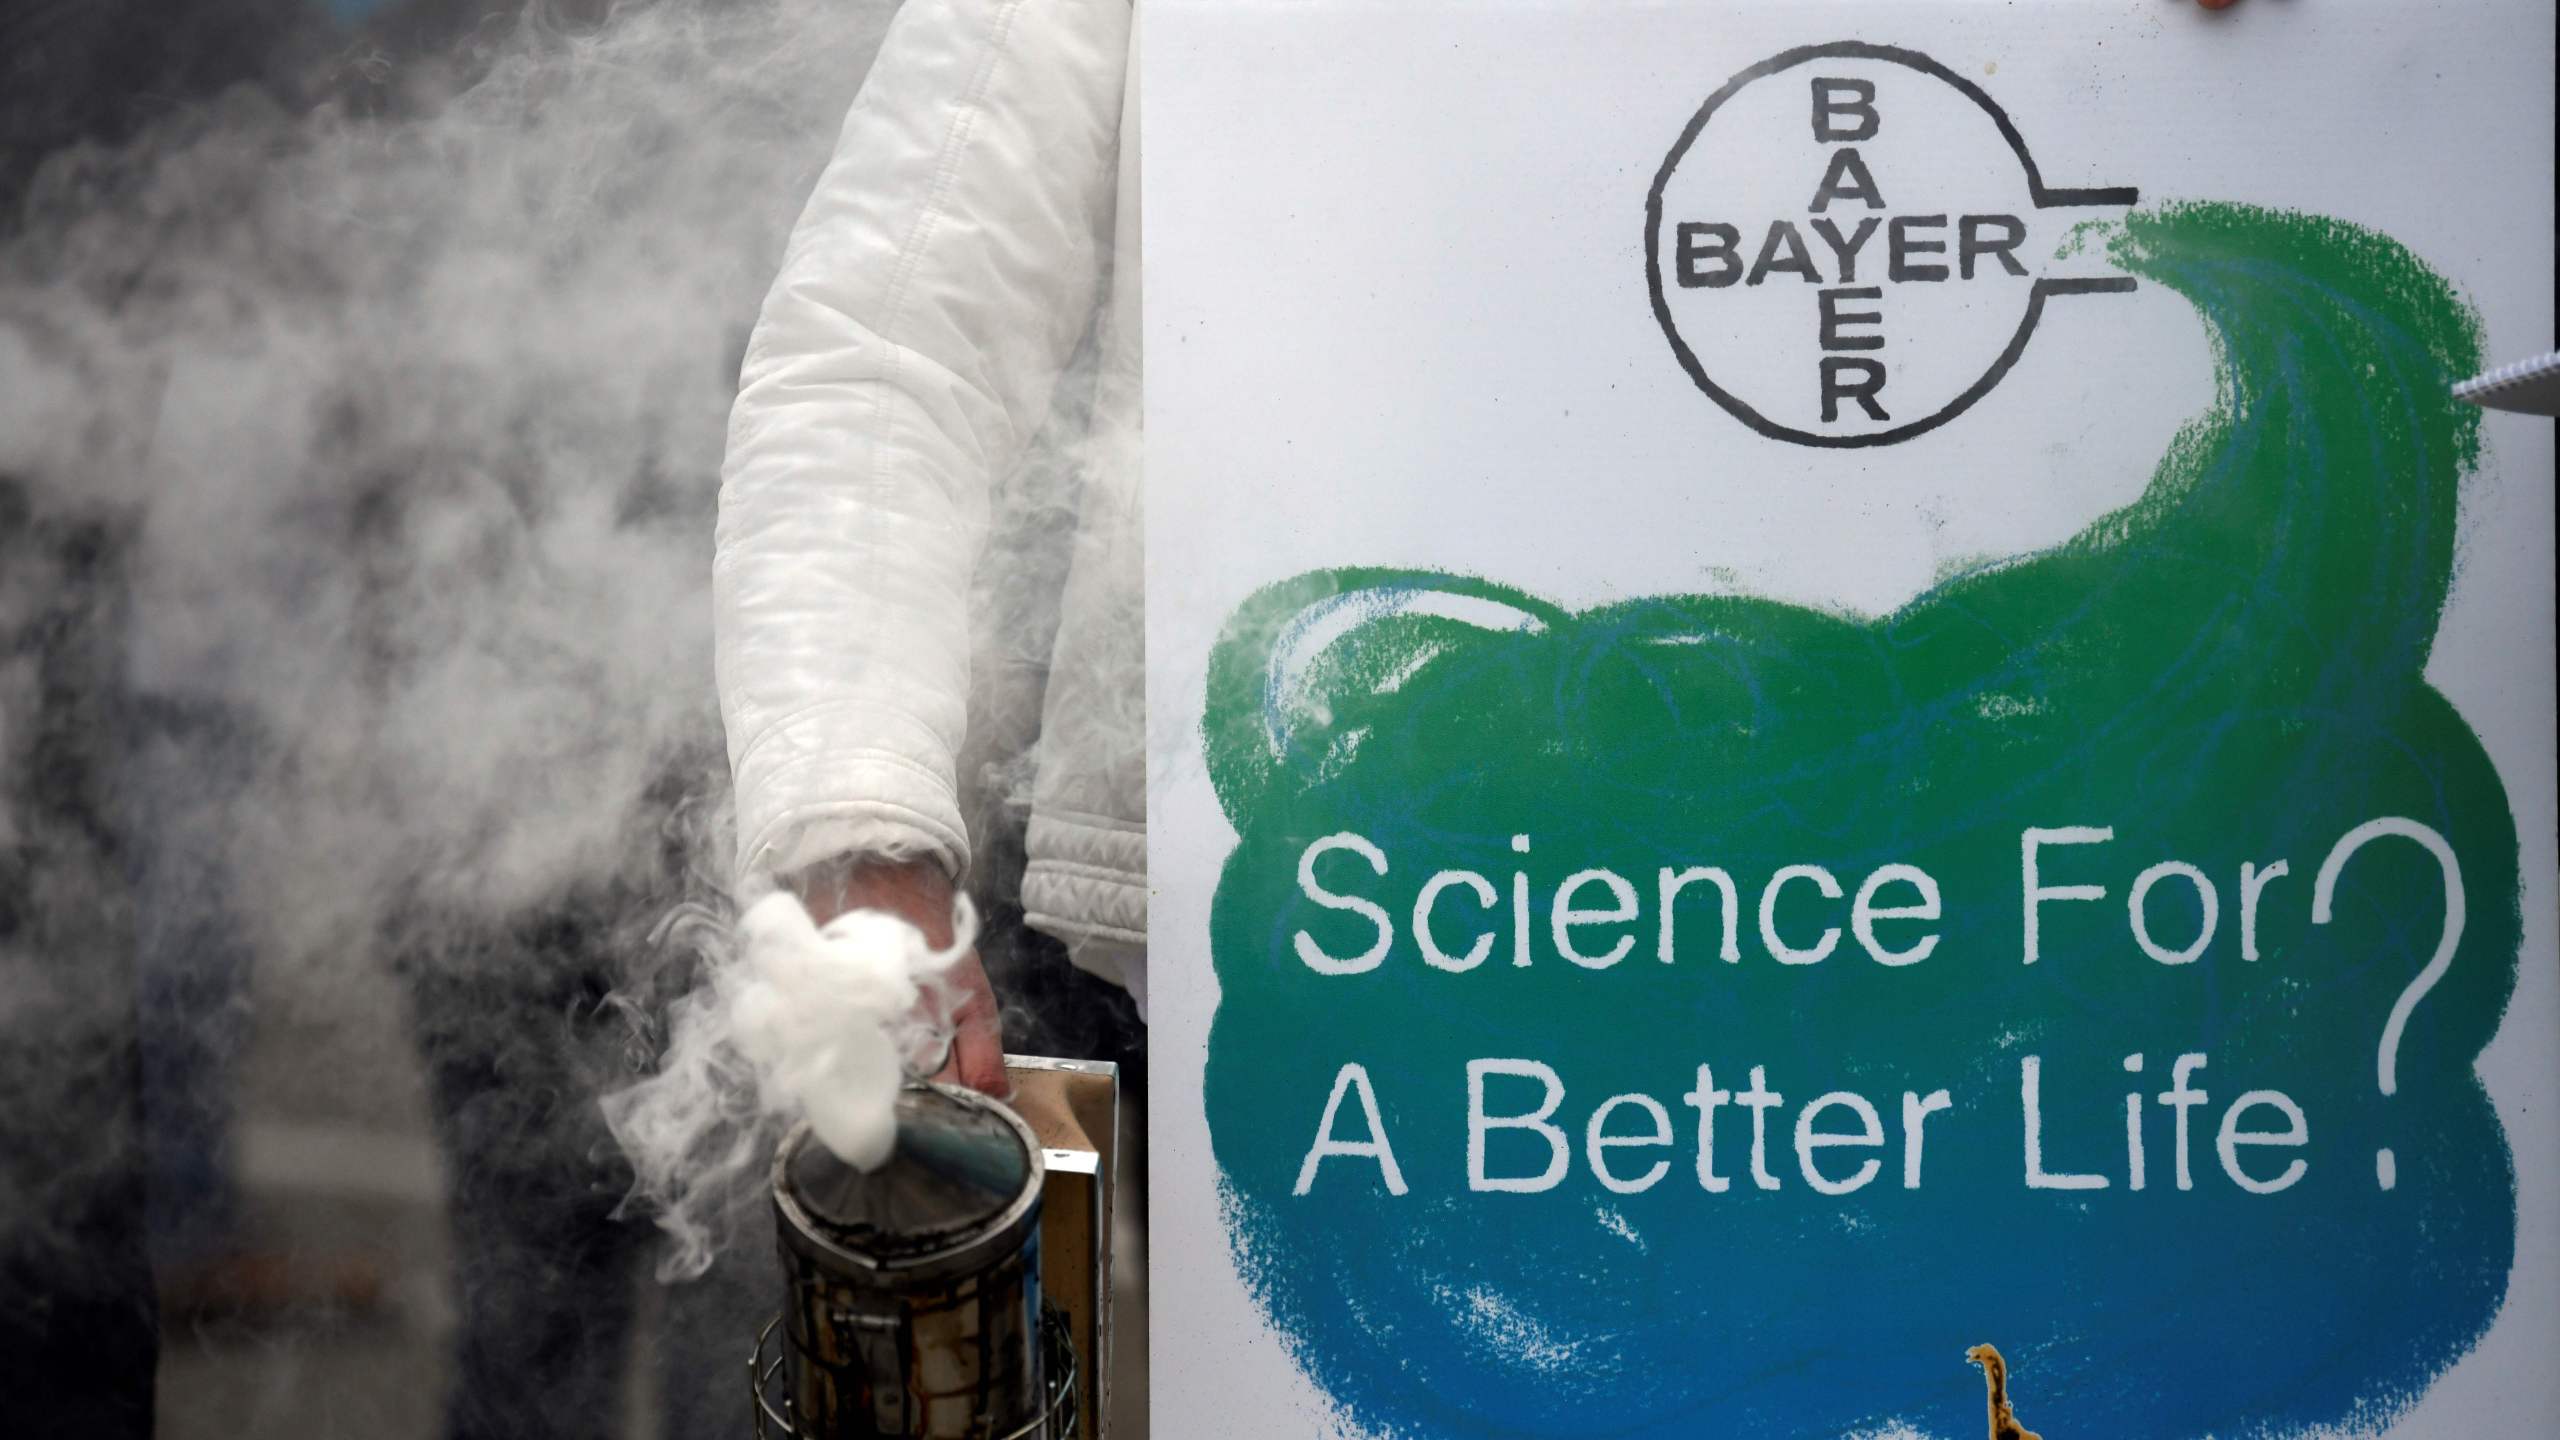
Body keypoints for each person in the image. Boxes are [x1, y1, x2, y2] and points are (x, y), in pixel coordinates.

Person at [713, 0, 2257, 1059]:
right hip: (1343, 971)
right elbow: (892, 342)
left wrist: (2287, 84)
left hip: (2000, 923)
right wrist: (858, 831)